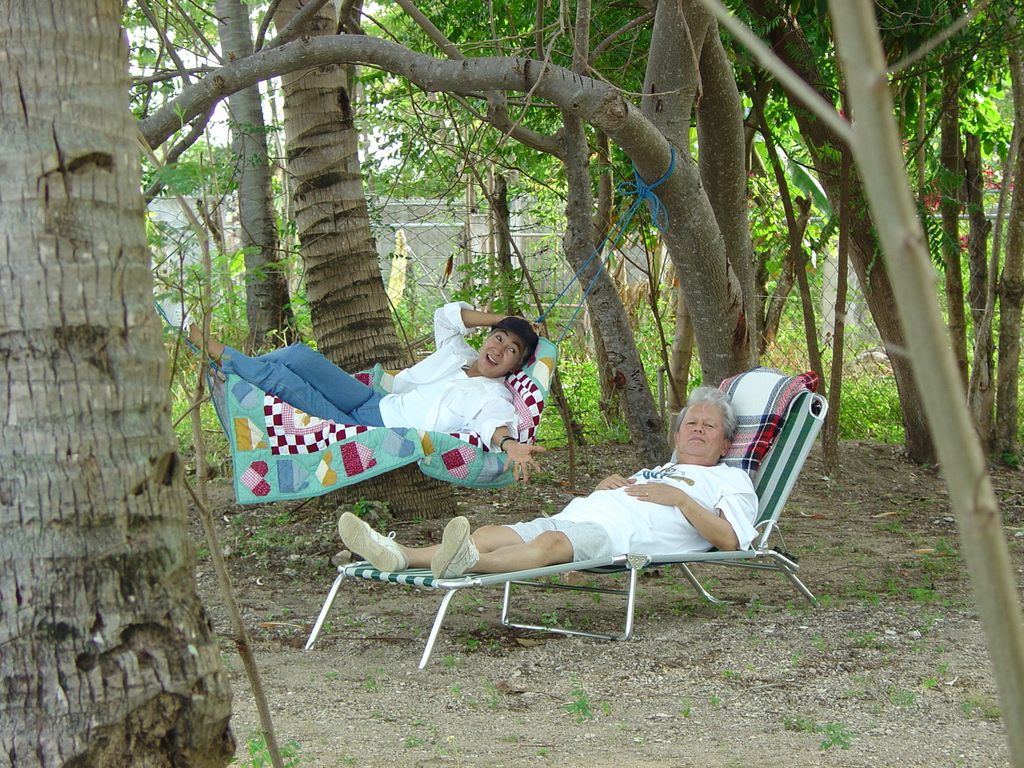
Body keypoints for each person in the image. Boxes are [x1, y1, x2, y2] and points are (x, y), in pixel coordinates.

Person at [338, 387, 758, 577]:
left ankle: (466, 564)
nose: (698, 429)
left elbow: (731, 541)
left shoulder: (731, 479)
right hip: (579, 517)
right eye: (691, 423)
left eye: (709, 426)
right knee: (489, 532)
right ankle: (400, 554)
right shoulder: (657, 470)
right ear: (677, 436)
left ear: (725, 443)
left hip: (617, 539)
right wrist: (605, 488)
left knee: (549, 545)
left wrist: (681, 500)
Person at [189, 302, 546, 480]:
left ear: (516, 365)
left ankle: (220, 354)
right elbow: (445, 316)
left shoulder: (493, 395)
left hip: (367, 430)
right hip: (373, 400)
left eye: (511, 349)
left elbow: (493, 424)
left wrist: (511, 445)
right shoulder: (458, 354)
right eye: (498, 338)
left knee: (284, 382)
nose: (499, 349)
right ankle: (242, 367)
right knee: (297, 355)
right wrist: (504, 320)